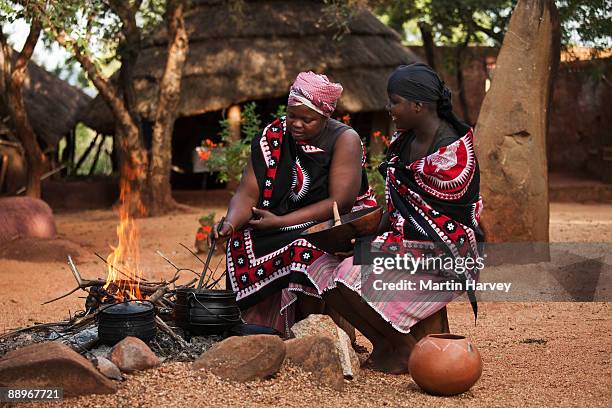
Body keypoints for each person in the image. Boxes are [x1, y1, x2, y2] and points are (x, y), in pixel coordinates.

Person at [307, 63, 484, 374]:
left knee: (350, 273)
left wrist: (368, 246)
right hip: (408, 246)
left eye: (395, 101)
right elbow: (399, 210)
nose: (389, 108)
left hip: (446, 255)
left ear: (418, 105)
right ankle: (388, 343)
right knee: (322, 265)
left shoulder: (452, 155)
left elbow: (433, 229)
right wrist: (361, 239)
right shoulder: (405, 142)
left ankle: (404, 350)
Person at [210, 71, 376, 336]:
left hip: (333, 223)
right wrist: (229, 223)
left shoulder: (345, 139)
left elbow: (341, 202)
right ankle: (260, 328)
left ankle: (311, 332)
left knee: (304, 248)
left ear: (325, 116)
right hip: (282, 220)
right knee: (241, 241)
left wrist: (281, 221)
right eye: (291, 116)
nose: (296, 124)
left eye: (307, 119)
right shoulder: (273, 137)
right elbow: (247, 193)